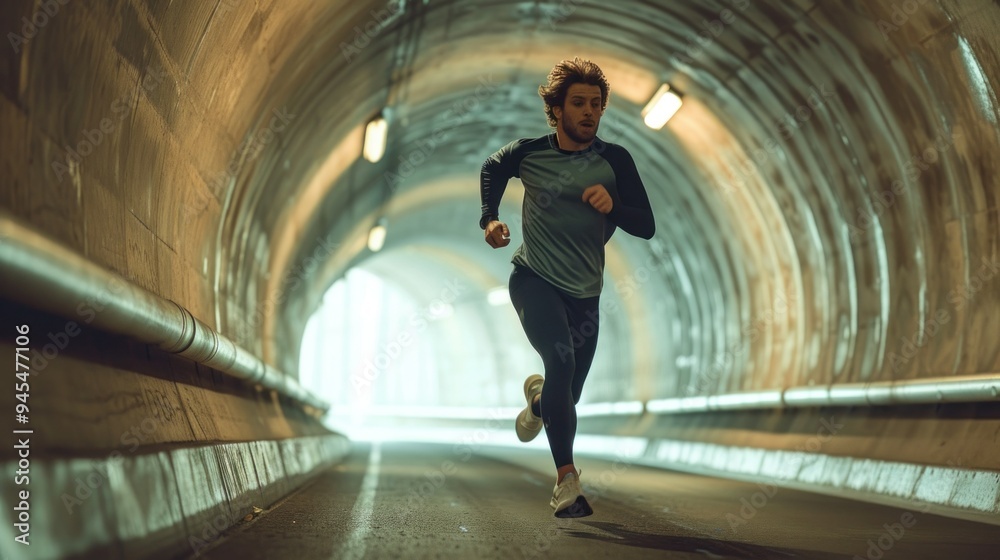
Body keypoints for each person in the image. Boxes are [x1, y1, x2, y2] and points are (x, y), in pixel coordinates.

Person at [478, 58, 656, 518]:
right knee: (562, 359)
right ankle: (566, 481)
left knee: (566, 394)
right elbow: (492, 167)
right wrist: (490, 218)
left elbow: (647, 225)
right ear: (556, 110)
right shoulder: (530, 153)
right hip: (533, 279)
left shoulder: (615, 160)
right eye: (578, 103)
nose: (589, 112)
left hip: (585, 294)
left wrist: (614, 205)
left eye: (595, 104)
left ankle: (539, 402)